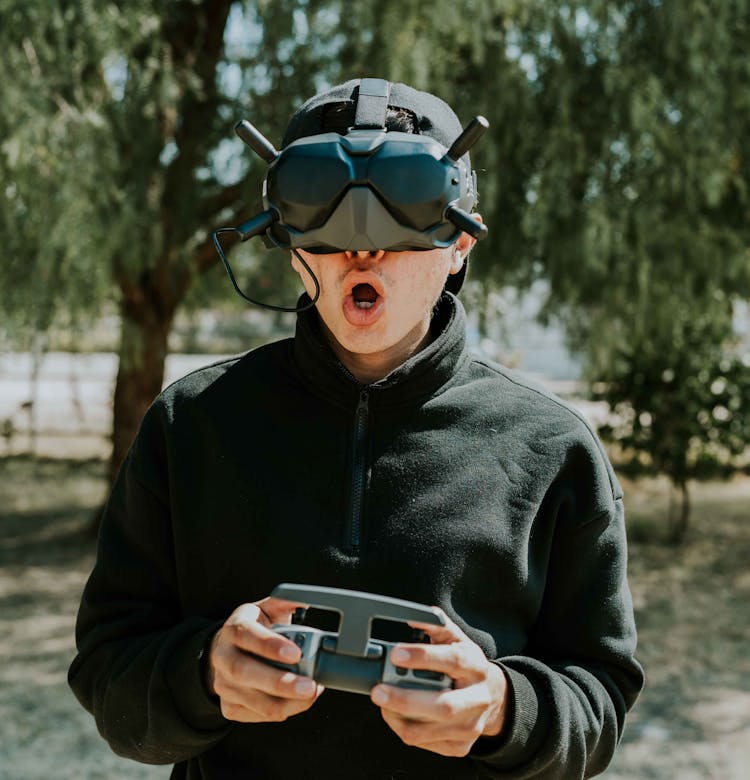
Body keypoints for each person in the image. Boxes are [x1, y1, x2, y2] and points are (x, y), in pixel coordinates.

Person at [69, 78, 643, 780]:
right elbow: (107, 671)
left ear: (460, 242)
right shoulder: (193, 424)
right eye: (322, 203)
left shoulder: (552, 450)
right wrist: (204, 675)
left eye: (404, 203)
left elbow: (600, 699)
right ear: (286, 238)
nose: (361, 250)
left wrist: (502, 707)